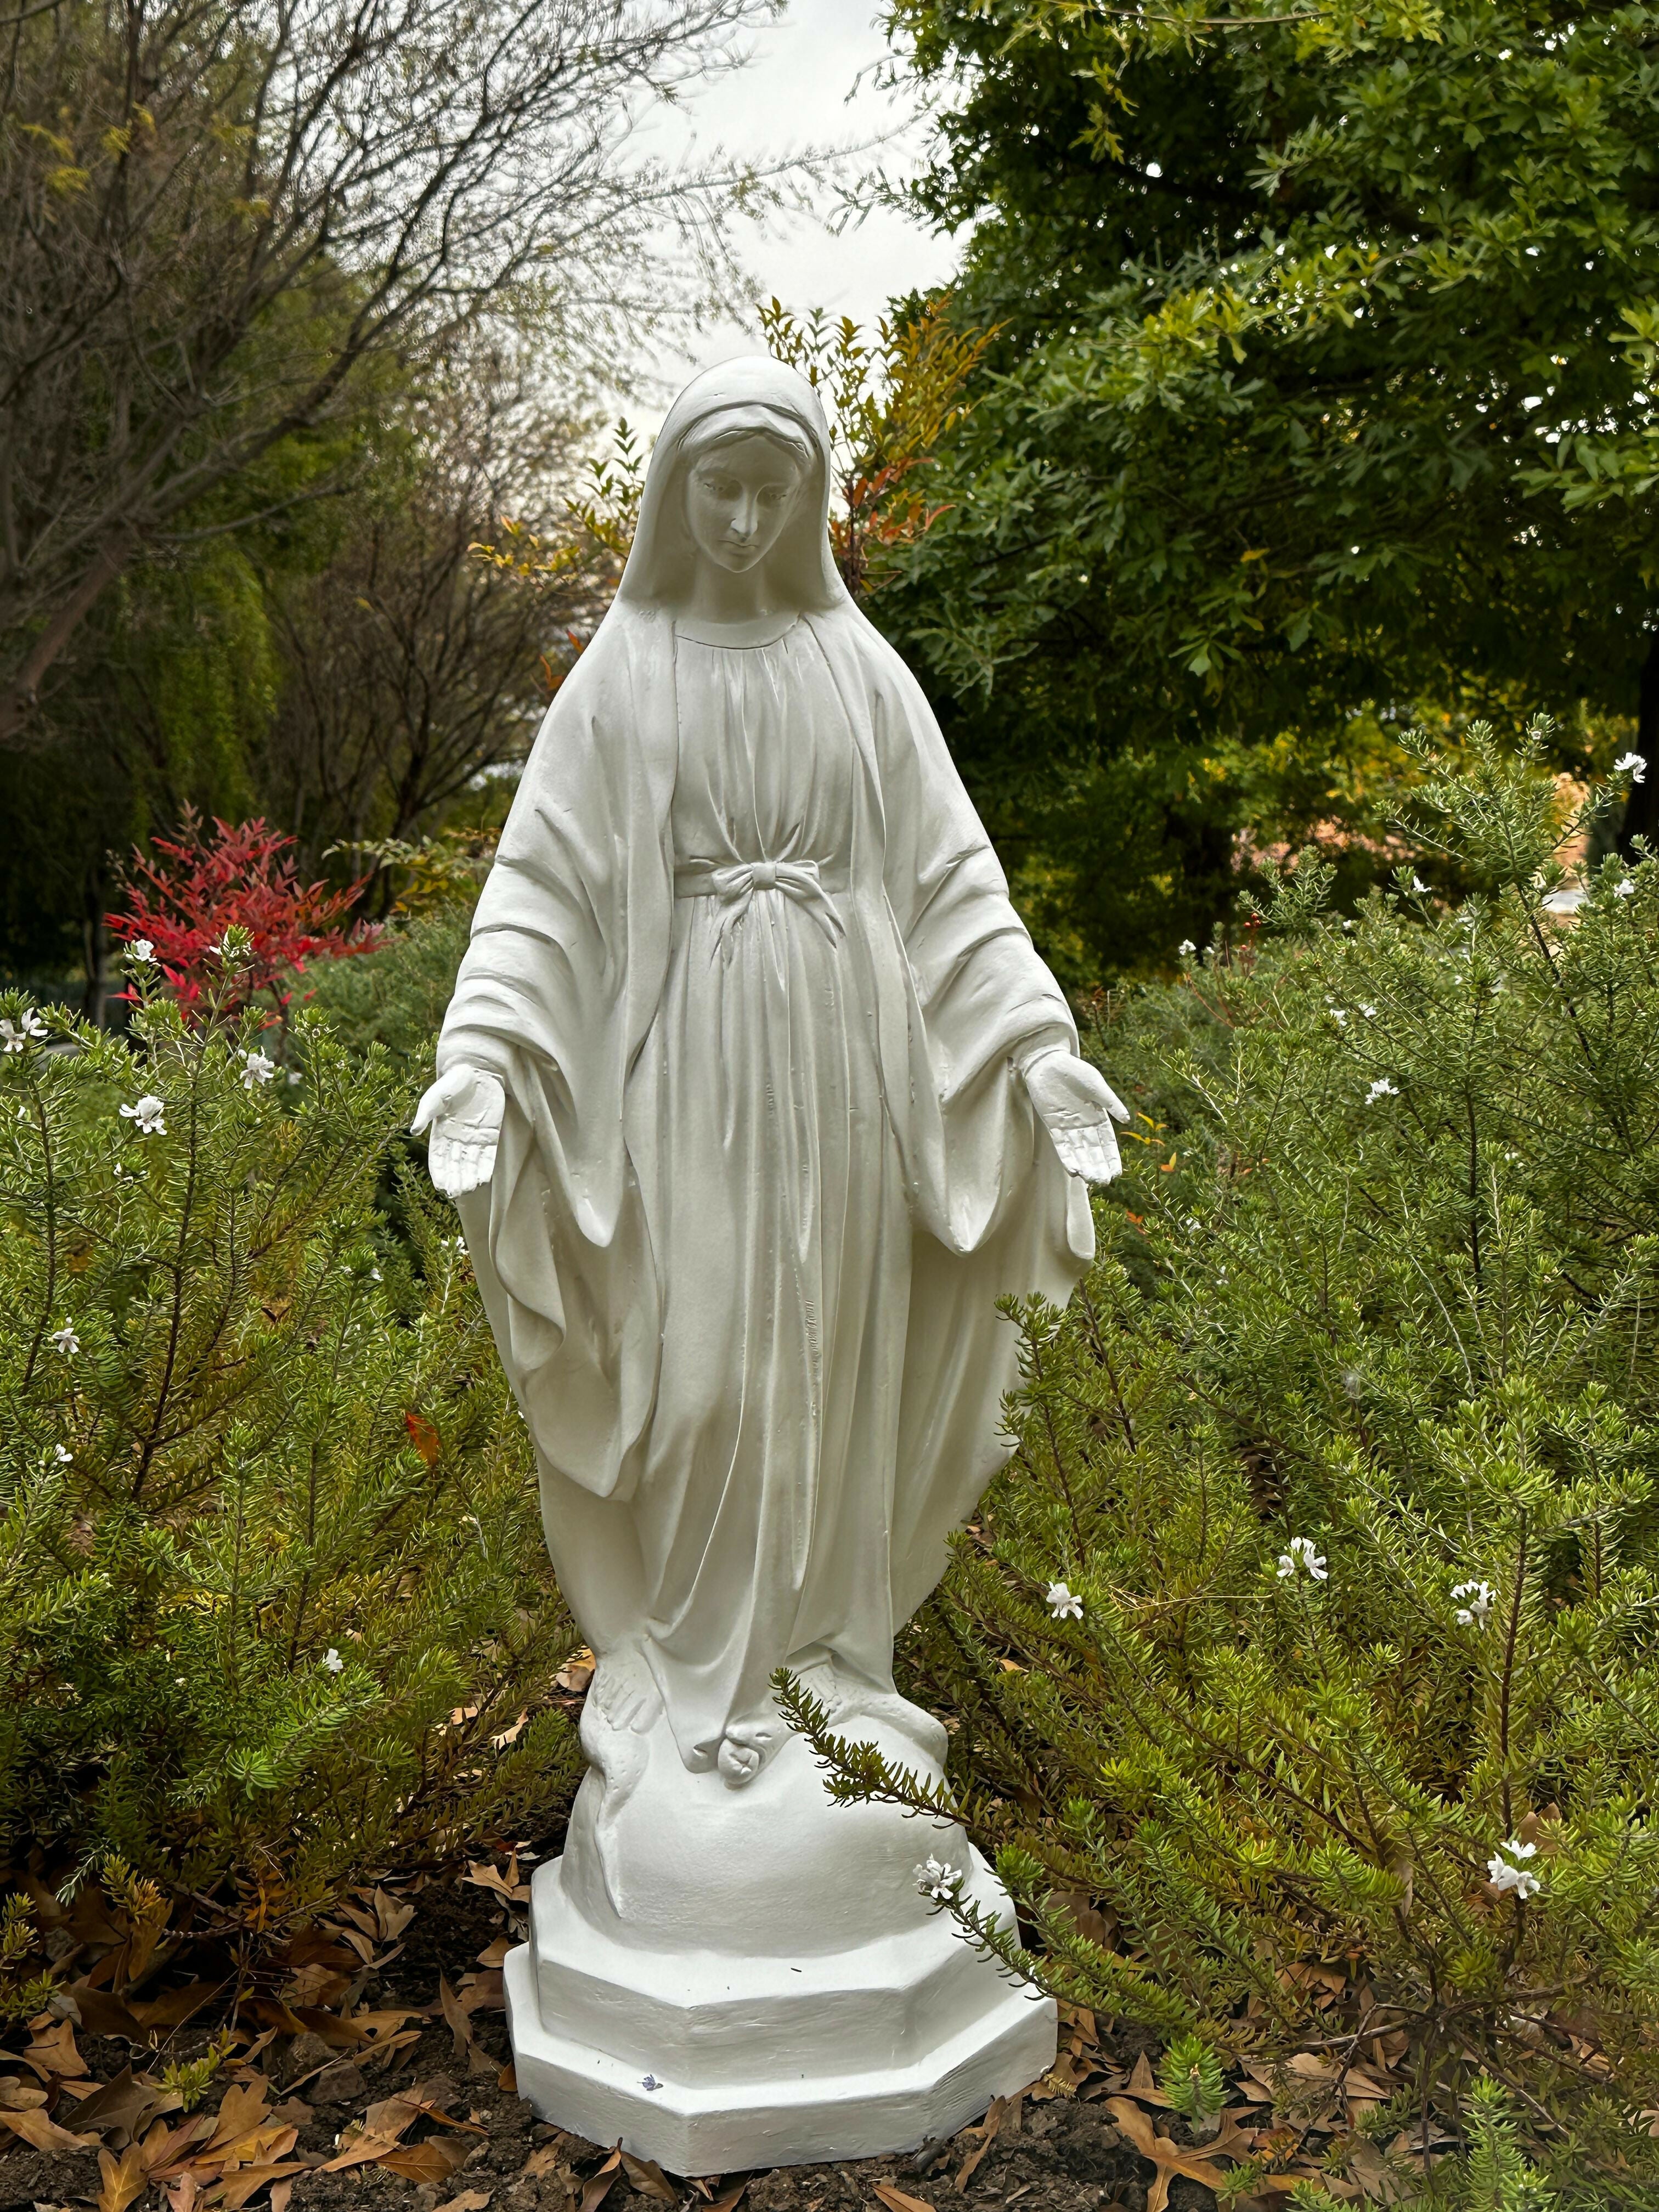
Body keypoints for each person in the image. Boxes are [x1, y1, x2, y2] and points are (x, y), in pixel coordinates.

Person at [414, 357, 1126, 1800]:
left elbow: (953, 888)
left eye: (769, 493)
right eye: (719, 490)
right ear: (675, 493)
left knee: (827, 1370)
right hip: (688, 1069)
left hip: (846, 1071)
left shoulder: (860, 672)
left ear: (807, 502)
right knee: (709, 1371)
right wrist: (481, 1055)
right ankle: (691, 1668)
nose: (742, 521)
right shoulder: (625, 672)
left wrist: (1039, 1050)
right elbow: (541, 891)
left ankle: (823, 1672)